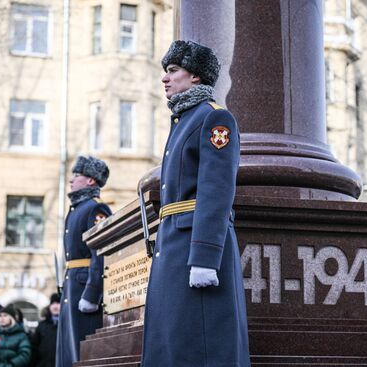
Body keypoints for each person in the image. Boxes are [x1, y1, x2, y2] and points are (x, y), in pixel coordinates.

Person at [140, 40, 250, 366]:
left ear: (196, 77)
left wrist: (204, 256)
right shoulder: (183, 120)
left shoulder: (214, 119)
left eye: (173, 70)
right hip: (174, 242)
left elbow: (216, 191)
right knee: (171, 340)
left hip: (193, 245)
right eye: (165, 71)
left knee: (199, 344)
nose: (165, 78)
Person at [56, 156, 112, 367]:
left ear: (90, 180)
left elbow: (101, 251)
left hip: (83, 286)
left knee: (82, 350)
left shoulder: (95, 208)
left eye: (76, 175)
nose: (71, 180)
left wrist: (92, 293)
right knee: (68, 351)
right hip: (72, 285)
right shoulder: (76, 210)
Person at [30, 293, 59, 367]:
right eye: (53, 303)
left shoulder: (68, 325)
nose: (55, 306)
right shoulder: (42, 325)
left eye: (58, 303)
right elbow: (34, 347)